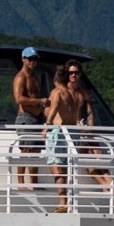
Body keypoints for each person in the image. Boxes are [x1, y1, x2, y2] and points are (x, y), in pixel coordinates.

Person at [44, 59, 96, 212]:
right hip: (72, 133)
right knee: (66, 167)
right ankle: (66, 200)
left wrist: (46, 127)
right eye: (71, 73)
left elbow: (52, 111)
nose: (74, 75)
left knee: (56, 166)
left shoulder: (59, 92)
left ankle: (63, 201)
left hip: (60, 132)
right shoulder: (78, 94)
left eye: (76, 73)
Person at [11, 47, 49, 193]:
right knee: (26, 149)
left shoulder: (35, 77)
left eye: (35, 59)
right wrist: (39, 101)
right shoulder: (21, 77)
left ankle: (34, 181)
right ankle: (20, 180)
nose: (33, 62)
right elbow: (18, 99)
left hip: (37, 117)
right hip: (26, 117)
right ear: (23, 59)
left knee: (36, 149)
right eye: (30, 59)